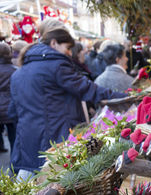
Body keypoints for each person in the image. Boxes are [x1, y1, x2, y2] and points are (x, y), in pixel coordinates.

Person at [9, 28, 127, 180]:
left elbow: (13, 112)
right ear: (54, 43)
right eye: (68, 48)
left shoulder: (18, 73)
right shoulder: (56, 66)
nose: (70, 53)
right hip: (55, 139)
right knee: (55, 184)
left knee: (29, 184)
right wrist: (124, 96)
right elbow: (88, 89)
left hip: (26, 141)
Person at [0, 42, 16, 153]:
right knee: (13, 137)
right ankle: (14, 161)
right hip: (11, 106)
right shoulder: (15, 70)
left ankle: (1, 147)